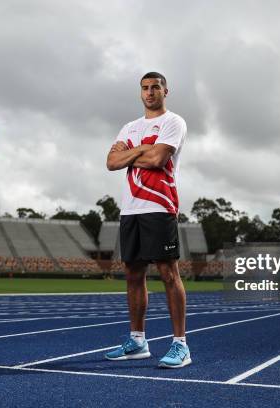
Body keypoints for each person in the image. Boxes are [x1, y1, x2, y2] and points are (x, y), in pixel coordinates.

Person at [104, 72, 190, 368]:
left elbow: (158, 160)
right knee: (133, 274)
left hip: (159, 205)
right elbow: (111, 162)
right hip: (131, 209)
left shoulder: (173, 122)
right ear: (140, 92)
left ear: (166, 90)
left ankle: (181, 344)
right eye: (145, 88)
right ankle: (138, 341)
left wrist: (132, 151)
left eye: (155, 87)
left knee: (168, 273)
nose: (150, 92)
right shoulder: (129, 126)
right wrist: (144, 150)